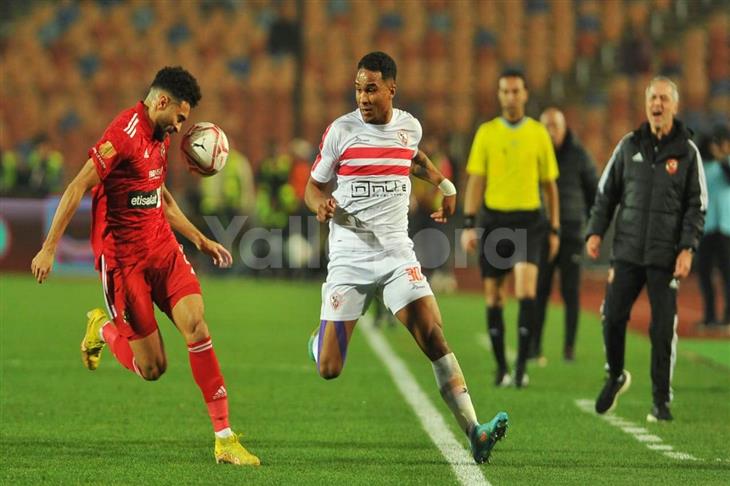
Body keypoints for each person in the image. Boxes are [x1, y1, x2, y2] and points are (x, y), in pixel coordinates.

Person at [30, 66, 260, 465]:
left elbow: (159, 196)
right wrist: (49, 247)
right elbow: (77, 186)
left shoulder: (159, 136)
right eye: (181, 118)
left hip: (162, 250)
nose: (181, 126)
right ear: (162, 102)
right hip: (124, 262)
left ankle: (224, 438)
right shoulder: (123, 134)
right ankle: (102, 326)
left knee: (197, 325)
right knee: (153, 368)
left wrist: (200, 239)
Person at [304, 51, 508, 464]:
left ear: (392, 89)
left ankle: (475, 431)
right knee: (328, 368)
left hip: (397, 253)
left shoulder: (408, 127)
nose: (362, 96)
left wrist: (446, 185)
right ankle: (317, 342)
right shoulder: (340, 132)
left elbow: (413, 158)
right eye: (359, 88)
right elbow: (312, 186)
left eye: (371, 88)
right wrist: (319, 205)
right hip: (349, 256)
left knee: (433, 334)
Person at [586, 76, 707, 422]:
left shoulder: (688, 152)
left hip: (665, 256)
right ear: (645, 104)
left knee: (662, 328)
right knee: (611, 316)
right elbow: (606, 193)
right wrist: (596, 231)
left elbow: (696, 207)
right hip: (626, 251)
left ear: (674, 105)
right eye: (653, 98)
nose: (657, 104)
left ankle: (660, 401)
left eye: (664, 99)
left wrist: (687, 249)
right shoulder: (628, 145)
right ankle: (615, 375)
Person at [461, 69, 560, 388]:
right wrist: (468, 223)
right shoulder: (487, 132)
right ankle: (502, 367)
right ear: (499, 95)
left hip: (530, 221)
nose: (511, 97)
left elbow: (550, 185)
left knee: (527, 290)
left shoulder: (538, 133)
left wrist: (555, 227)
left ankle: (520, 367)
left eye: (516, 91)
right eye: (505, 91)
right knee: (494, 296)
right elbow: (476, 180)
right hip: (494, 222)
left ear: (526, 94)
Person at [531, 108, 598, 363]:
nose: (549, 132)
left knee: (571, 292)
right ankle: (534, 347)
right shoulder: (534, 154)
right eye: (545, 126)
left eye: (554, 126)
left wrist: (588, 225)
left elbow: (595, 193)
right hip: (541, 231)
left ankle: (569, 348)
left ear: (564, 128)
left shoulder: (580, 155)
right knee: (540, 291)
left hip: (570, 232)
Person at [696, 124, 730, 327]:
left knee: (727, 275)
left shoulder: (726, 164)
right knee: (704, 273)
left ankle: (728, 316)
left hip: (726, 228)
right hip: (706, 227)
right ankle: (709, 315)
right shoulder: (703, 167)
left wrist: (721, 157)